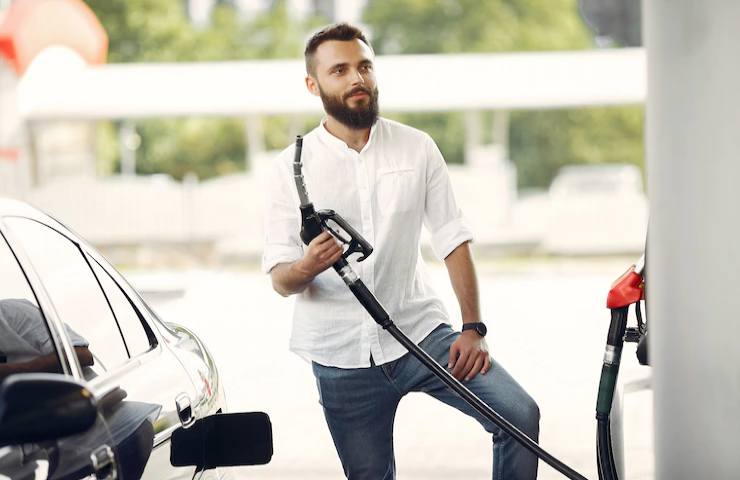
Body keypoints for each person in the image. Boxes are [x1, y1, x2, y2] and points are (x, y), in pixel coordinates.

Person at [263, 23, 540, 480]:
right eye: (339, 70)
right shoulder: (289, 170)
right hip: (340, 356)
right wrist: (308, 265)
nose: (356, 78)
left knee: (519, 416)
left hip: (422, 334)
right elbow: (279, 278)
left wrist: (472, 327)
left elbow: (452, 237)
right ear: (313, 85)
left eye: (364, 66)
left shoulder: (417, 147)